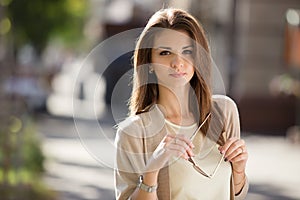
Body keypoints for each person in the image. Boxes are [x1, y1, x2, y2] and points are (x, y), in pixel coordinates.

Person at [114, 8, 248, 200]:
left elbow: (235, 194)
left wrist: (239, 171)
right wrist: (152, 170)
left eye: (187, 51)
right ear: (148, 63)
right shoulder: (133, 132)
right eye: (165, 52)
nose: (178, 62)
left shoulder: (224, 112)